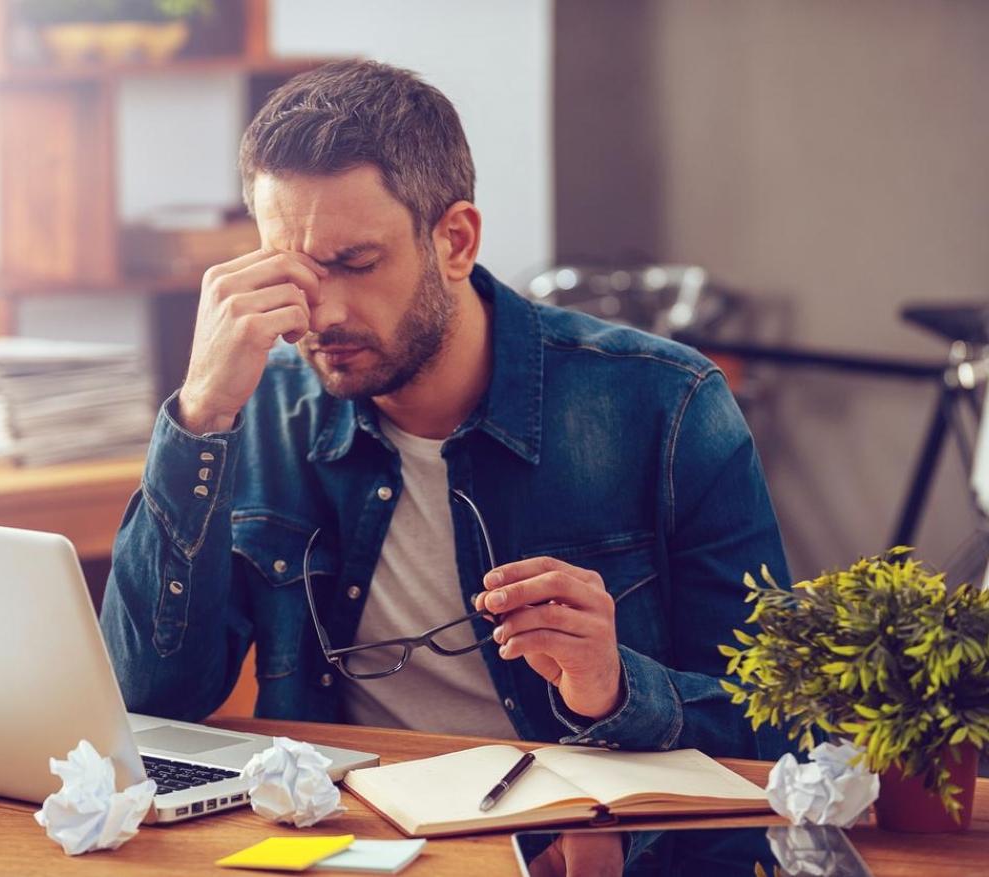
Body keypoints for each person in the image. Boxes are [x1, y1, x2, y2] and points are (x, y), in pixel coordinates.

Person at [100, 59, 790, 757]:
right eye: (295, 268)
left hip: (585, 845)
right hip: (345, 835)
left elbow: (780, 729)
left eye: (357, 262)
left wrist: (614, 687)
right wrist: (201, 415)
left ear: (455, 241)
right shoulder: (261, 404)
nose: (323, 311)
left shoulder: (667, 404)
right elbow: (151, 702)